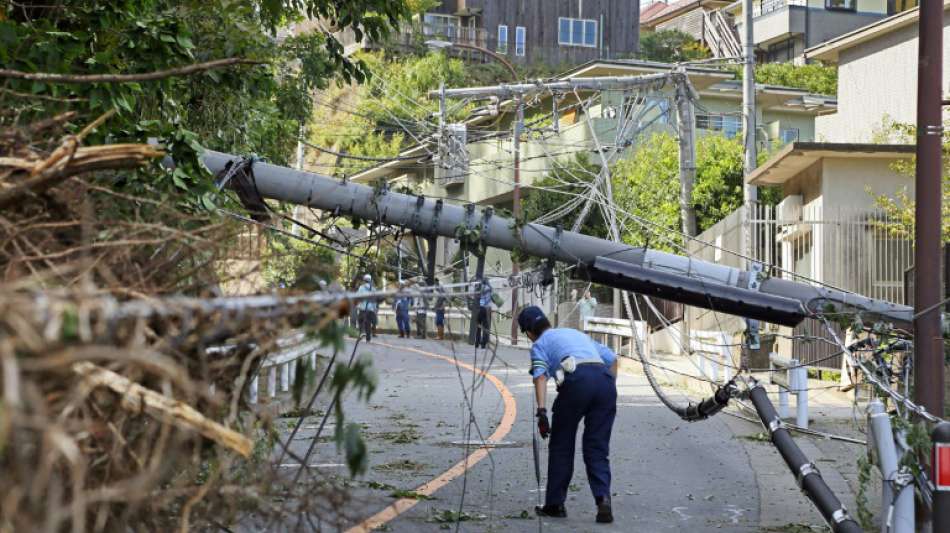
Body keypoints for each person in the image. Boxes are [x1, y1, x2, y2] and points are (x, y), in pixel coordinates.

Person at [518, 305, 617, 524]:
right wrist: (609, 387)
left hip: (577, 382)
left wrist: (542, 412)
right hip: (605, 383)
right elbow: (612, 358)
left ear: (529, 332)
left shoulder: (539, 345)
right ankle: (603, 500)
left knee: (562, 445)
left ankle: (555, 504)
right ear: (546, 322)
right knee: (597, 447)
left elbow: (540, 376)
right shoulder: (574, 333)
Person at [356, 274, 378, 342]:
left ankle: (362, 333)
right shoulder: (373, 289)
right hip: (370, 309)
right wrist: (375, 309)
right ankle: (368, 338)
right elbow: (374, 300)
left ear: (364, 280)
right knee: (368, 324)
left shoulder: (361, 288)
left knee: (360, 321)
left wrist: (357, 306)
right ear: (370, 280)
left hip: (363, 308)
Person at [475, 276, 492, 349]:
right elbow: (490, 298)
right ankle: (483, 344)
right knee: (485, 327)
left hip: (478, 308)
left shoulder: (479, 288)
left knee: (478, 327)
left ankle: (477, 343)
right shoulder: (489, 288)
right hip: (485, 309)